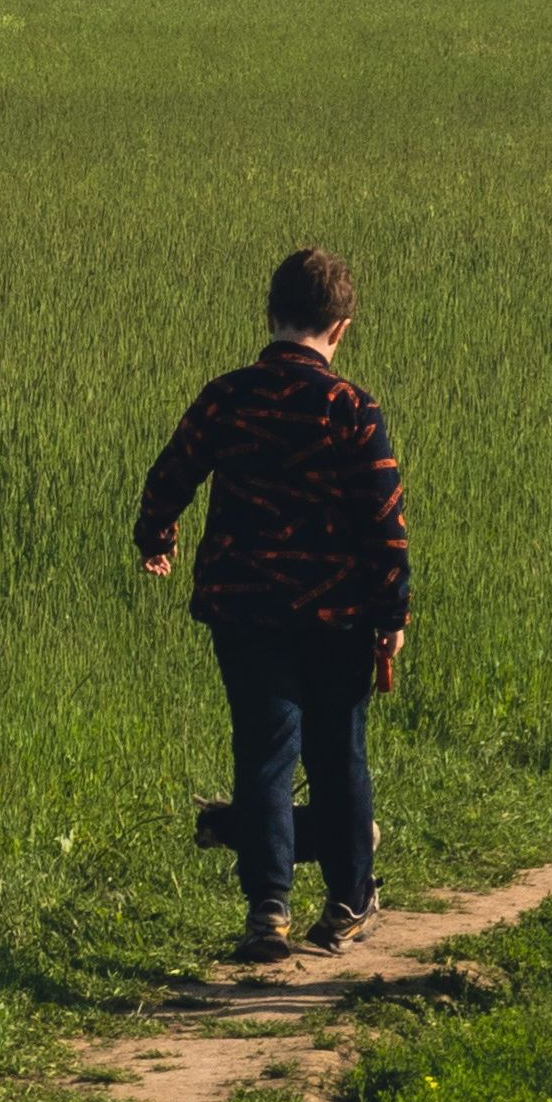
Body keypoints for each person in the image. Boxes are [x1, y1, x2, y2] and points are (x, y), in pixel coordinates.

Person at [134, 245, 411, 961]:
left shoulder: (227, 394)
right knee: (338, 754)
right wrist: (392, 614)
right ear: (342, 327)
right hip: (336, 615)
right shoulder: (351, 407)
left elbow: (173, 472)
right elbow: (385, 522)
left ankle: (268, 910)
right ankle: (349, 903)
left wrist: (155, 533)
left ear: (270, 313)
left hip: (245, 608)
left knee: (263, 754)